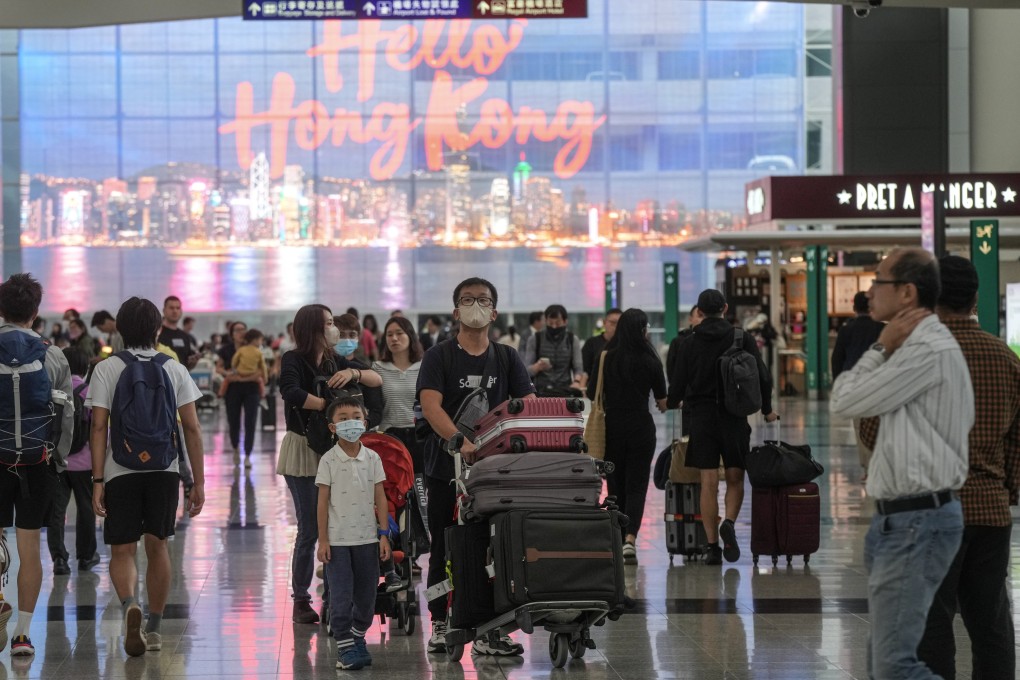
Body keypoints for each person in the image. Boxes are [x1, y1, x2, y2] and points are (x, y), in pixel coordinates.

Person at [829, 247, 971, 680]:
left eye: (879, 281)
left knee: (893, 666)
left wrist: (877, 346)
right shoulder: (918, 345)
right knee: (883, 661)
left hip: (917, 520)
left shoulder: (924, 349)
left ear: (907, 293)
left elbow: (844, 399)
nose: (870, 290)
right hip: (903, 519)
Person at [913, 256, 1020, 680]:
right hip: (991, 514)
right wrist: (1005, 487)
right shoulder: (1005, 358)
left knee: (931, 622)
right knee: (991, 621)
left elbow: (871, 429)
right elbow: (1018, 439)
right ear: (976, 297)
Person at [417, 277, 534, 656]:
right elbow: (431, 405)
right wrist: (459, 440)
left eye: (483, 300)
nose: (476, 306)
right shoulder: (440, 356)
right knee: (445, 545)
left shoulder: (506, 357)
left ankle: (490, 628)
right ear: (456, 311)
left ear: (495, 311)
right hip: (445, 470)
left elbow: (525, 403)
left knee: (496, 547)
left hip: (496, 472)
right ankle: (439, 621)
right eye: (468, 300)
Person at [87, 296, 206, 657]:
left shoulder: (107, 369)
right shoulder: (173, 368)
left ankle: (128, 607)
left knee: (122, 550)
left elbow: (98, 426)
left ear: (120, 329)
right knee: (158, 546)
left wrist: (96, 481)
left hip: (120, 469)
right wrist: (197, 481)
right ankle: (153, 627)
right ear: (157, 329)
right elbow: (193, 428)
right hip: (164, 469)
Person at [277, 304, 382, 624]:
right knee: (310, 526)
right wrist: (327, 405)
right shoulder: (293, 359)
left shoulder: (337, 360)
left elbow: (374, 379)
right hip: (304, 450)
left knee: (337, 523)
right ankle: (300, 597)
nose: (333, 329)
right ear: (312, 329)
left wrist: (353, 373)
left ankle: (335, 593)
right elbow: (290, 391)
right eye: (328, 324)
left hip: (333, 448)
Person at [666, 289, 777, 565]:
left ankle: (712, 546)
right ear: (725, 308)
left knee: (708, 482)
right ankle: (729, 521)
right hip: (734, 417)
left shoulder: (689, 343)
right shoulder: (742, 338)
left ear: (699, 312)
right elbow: (762, 376)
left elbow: (678, 384)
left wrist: (671, 401)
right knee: (736, 477)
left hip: (701, 418)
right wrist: (767, 409)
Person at [0, 273, 74, 657]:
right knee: (31, 549)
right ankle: (22, 635)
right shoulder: (52, 354)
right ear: (36, 312)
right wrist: (57, 461)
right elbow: (67, 415)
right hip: (37, 462)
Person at [315, 397, 392, 671]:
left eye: (355, 416)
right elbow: (322, 502)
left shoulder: (372, 458)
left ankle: (358, 636)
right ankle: (345, 646)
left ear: (365, 422)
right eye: (343, 418)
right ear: (332, 427)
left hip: (367, 539)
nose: (350, 422)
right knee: (340, 595)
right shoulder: (328, 460)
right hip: (337, 541)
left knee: (366, 595)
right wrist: (323, 540)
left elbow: (380, 497)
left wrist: (384, 533)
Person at [585, 308, 666, 564]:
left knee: (615, 484)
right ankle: (630, 539)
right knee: (637, 485)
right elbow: (662, 401)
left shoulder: (606, 356)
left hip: (613, 427)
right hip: (642, 427)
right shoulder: (650, 359)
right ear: (643, 330)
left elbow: (590, 393)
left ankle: (617, 537)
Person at [46, 348, 101, 576]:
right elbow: (98, 428)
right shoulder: (88, 392)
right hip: (84, 462)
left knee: (56, 511)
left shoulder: (53, 392)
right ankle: (86, 556)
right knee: (86, 508)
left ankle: (59, 558)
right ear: (86, 367)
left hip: (57, 460)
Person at [831, 291, 885, 479]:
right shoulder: (881, 328)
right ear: (871, 307)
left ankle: (868, 469)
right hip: (878, 383)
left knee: (860, 426)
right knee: (880, 425)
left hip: (854, 385)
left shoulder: (846, 329)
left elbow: (837, 358)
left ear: (854, 308)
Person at [373, 316, 424, 473]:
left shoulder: (425, 366)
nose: (394, 338)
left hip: (420, 435)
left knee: (422, 488)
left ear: (410, 335)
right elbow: (374, 405)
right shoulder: (377, 368)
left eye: (399, 333)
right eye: (389, 334)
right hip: (390, 435)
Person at [218, 321, 262, 468]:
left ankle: (248, 454)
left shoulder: (253, 348)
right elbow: (219, 368)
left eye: (243, 329)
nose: (241, 332)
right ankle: (236, 447)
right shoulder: (226, 350)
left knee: (250, 422)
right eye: (237, 330)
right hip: (232, 389)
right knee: (233, 421)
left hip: (252, 388)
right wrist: (229, 374)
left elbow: (261, 369)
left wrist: (244, 377)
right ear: (231, 333)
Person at [520, 304, 584, 397]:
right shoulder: (535, 339)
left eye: (558, 323)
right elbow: (526, 371)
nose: (554, 327)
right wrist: (537, 367)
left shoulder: (572, 340)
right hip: (541, 391)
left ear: (565, 321)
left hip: (565, 390)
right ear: (546, 321)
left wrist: (577, 382)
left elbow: (578, 367)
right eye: (550, 323)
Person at [334, 314, 384, 430]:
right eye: (341, 335)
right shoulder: (325, 367)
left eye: (352, 335)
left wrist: (361, 426)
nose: (346, 340)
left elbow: (376, 411)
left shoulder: (366, 371)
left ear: (358, 338)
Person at [223, 328, 269, 413]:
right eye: (260, 340)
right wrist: (265, 377)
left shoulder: (242, 349)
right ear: (255, 340)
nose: (261, 342)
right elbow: (263, 366)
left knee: (226, 380)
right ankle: (263, 398)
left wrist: (234, 368)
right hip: (252, 374)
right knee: (261, 382)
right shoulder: (259, 352)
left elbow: (234, 360)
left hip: (240, 373)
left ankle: (220, 394)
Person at [581, 308, 622, 389]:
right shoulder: (591, 343)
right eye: (613, 323)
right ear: (604, 323)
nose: (616, 327)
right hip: (595, 388)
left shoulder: (625, 344)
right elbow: (585, 370)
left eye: (620, 323)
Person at [158, 296, 199, 370]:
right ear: (164, 310)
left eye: (177, 308)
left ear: (181, 311)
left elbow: (187, 366)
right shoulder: (157, 334)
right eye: (171, 308)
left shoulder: (184, 336)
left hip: (181, 380)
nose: (175, 311)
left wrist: (194, 362)